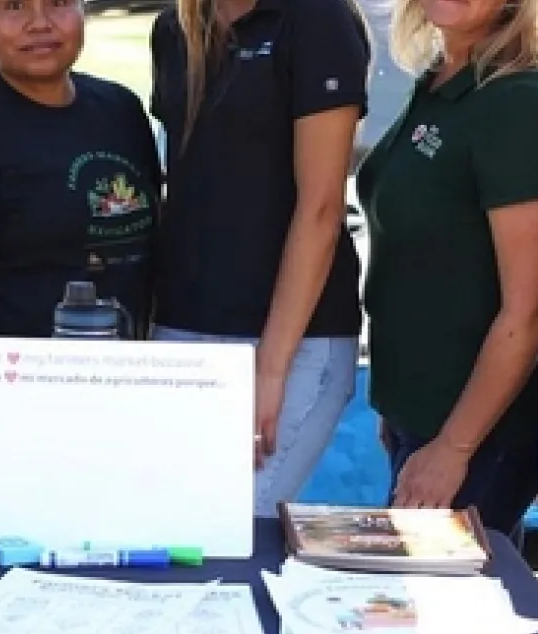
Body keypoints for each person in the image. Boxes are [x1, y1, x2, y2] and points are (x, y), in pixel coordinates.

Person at [0, 0, 161, 492]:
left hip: (102, 401)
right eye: (14, 7)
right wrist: (1, 427)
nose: (39, 23)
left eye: (58, 4)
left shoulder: (121, 110)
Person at [354, 0, 538, 543]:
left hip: (477, 434)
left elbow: (534, 308)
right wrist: (405, 406)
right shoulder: (443, 79)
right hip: (427, 418)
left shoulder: (518, 104)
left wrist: (453, 446)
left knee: (433, 607)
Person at [148, 0, 370, 516]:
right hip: (181, 334)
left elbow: (320, 208)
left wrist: (270, 371)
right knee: (173, 535)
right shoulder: (172, 30)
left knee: (229, 533)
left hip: (293, 342)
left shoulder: (319, 19)